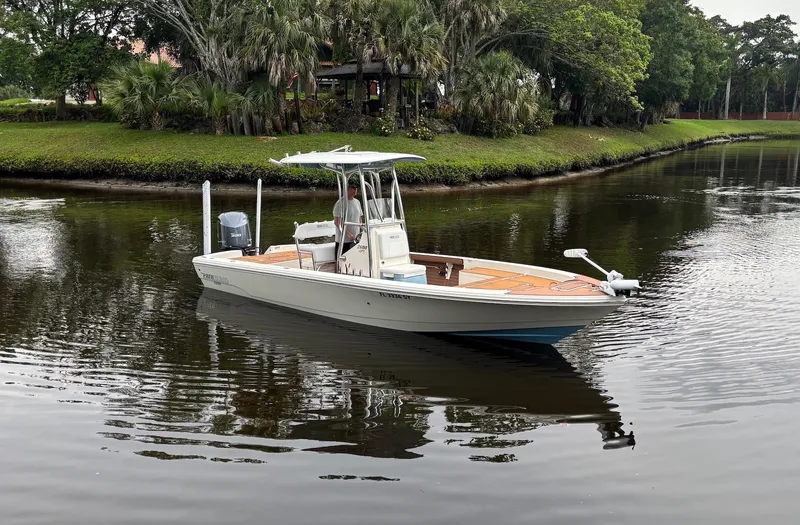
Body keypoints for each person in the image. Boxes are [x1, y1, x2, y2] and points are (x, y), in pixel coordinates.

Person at [333, 181, 363, 256]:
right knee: (341, 261)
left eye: (356, 188)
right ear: (347, 189)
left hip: (355, 238)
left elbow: (359, 218)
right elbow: (337, 222)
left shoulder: (357, 202)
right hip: (343, 240)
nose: (355, 189)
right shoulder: (340, 203)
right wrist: (348, 234)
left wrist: (362, 230)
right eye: (353, 188)